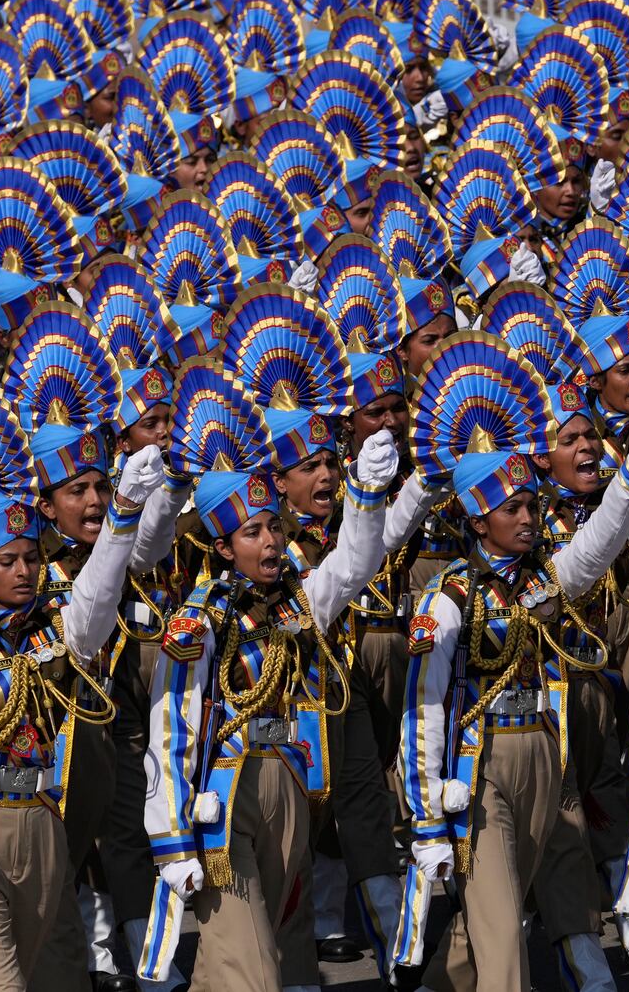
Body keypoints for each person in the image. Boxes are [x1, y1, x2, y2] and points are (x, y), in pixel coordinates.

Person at [399, 331, 629, 992]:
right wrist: (428, 814)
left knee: (515, 903)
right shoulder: (448, 598)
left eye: (532, 506)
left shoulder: (543, 579)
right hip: (482, 768)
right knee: (499, 927)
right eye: (514, 509)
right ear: (477, 518)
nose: (529, 519)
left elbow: (599, 542)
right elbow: (424, 707)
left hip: (549, 763)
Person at [0, 372, 164, 992]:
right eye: (5, 561)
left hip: (48, 820)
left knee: (59, 976)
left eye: (31, 559)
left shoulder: (55, 626)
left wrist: (123, 519)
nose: (23, 572)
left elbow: (98, 597)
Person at [141, 360, 397, 992]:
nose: (271, 543)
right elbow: (170, 727)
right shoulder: (198, 619)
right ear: (225, 548)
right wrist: (172, 837)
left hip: (293, 778)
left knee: (285, 945)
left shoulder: (298, 598)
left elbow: (356, 564)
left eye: (273, 529)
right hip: (227, 798)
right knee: (246, 962)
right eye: (252, 533)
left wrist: (364, 498)